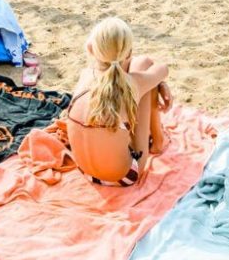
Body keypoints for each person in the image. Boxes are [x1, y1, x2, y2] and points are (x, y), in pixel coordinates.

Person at [66, 17, 171, 186]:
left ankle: (152, 138)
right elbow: (163, 68)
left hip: (85, 171)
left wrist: (157, 82)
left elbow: (142, 64)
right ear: (129, 53)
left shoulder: (85, 75)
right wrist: (160, 83)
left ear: (91, 49)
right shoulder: (134, 84)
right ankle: (158, 142)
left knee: (144, 67)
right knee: (146, 83)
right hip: (122, 177)